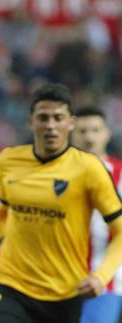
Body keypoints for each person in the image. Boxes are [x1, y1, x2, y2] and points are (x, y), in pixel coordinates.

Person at [0, 83, 122, 323]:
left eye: (58, 118)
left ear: (70, 122)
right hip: (12, 284)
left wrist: (101, 276)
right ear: (31, 121)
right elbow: (7, 212)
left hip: (64, 293)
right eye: (43, 117)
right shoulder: (9, 160)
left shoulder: (89, 169)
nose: (50, 125)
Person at [71, 107, 122, 323]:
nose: (89, 137)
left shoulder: (120, 174)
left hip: (105, 284)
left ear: (107, 133)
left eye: (95, 130)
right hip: (57, 283)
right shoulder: (54, 173)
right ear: (72, 134)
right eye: (82, 131)